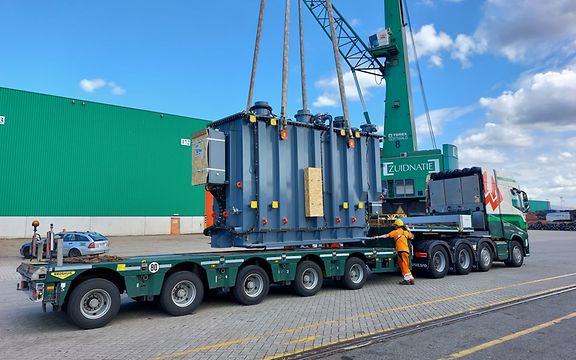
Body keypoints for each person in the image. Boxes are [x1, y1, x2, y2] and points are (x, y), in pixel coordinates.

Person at [372, 219, 415, 285]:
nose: (394, 226)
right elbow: (412, 237)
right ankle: (411, 279)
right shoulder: (405, 232)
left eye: (395, 225)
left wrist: (377, 236)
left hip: (400, 251)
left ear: (397, 226)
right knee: (406, 265)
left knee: (403, 266)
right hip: (406, 251)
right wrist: (408, 229)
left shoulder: (395, 232)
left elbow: (386, 235)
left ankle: (407, 280)